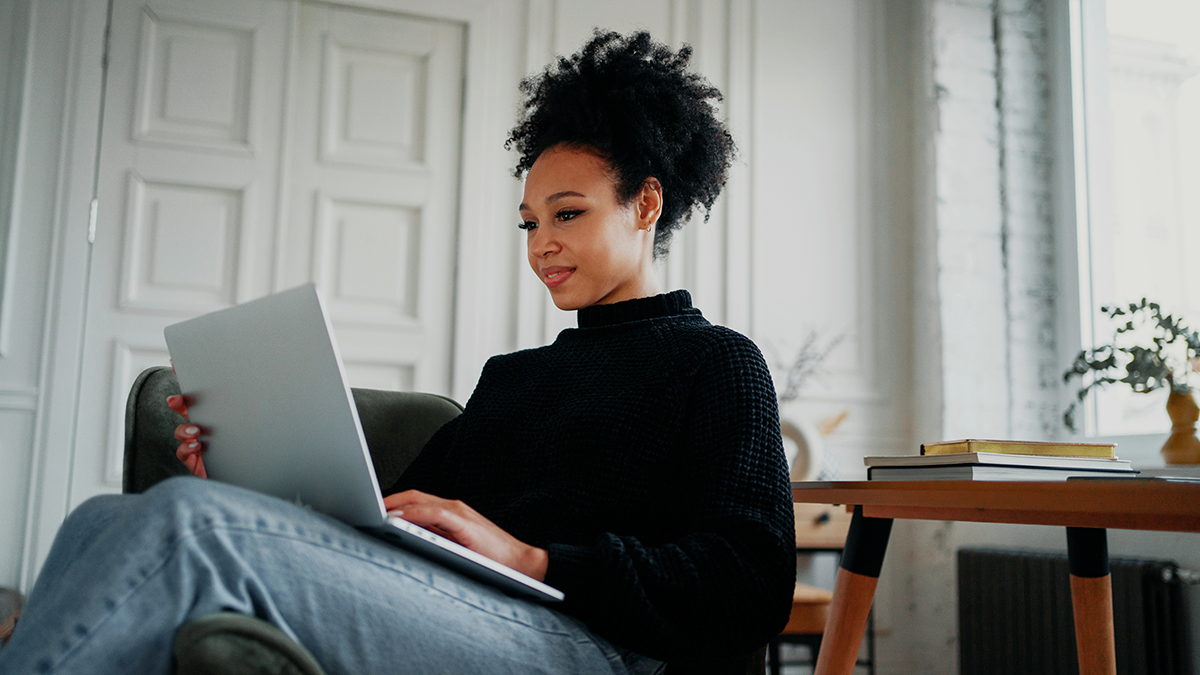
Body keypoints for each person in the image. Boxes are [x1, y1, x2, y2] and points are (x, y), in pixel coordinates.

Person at [0, 30, 795, 674]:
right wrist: (244, 476)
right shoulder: (514, 379)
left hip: (601, 645)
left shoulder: (717, 364)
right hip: (459, 611)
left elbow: (750, 584)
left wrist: (534, 557)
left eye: (568, 213)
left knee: (185, 528)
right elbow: (384, 519)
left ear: (646, 202)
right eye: (529, 223)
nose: (543, 244)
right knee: (106, 515)